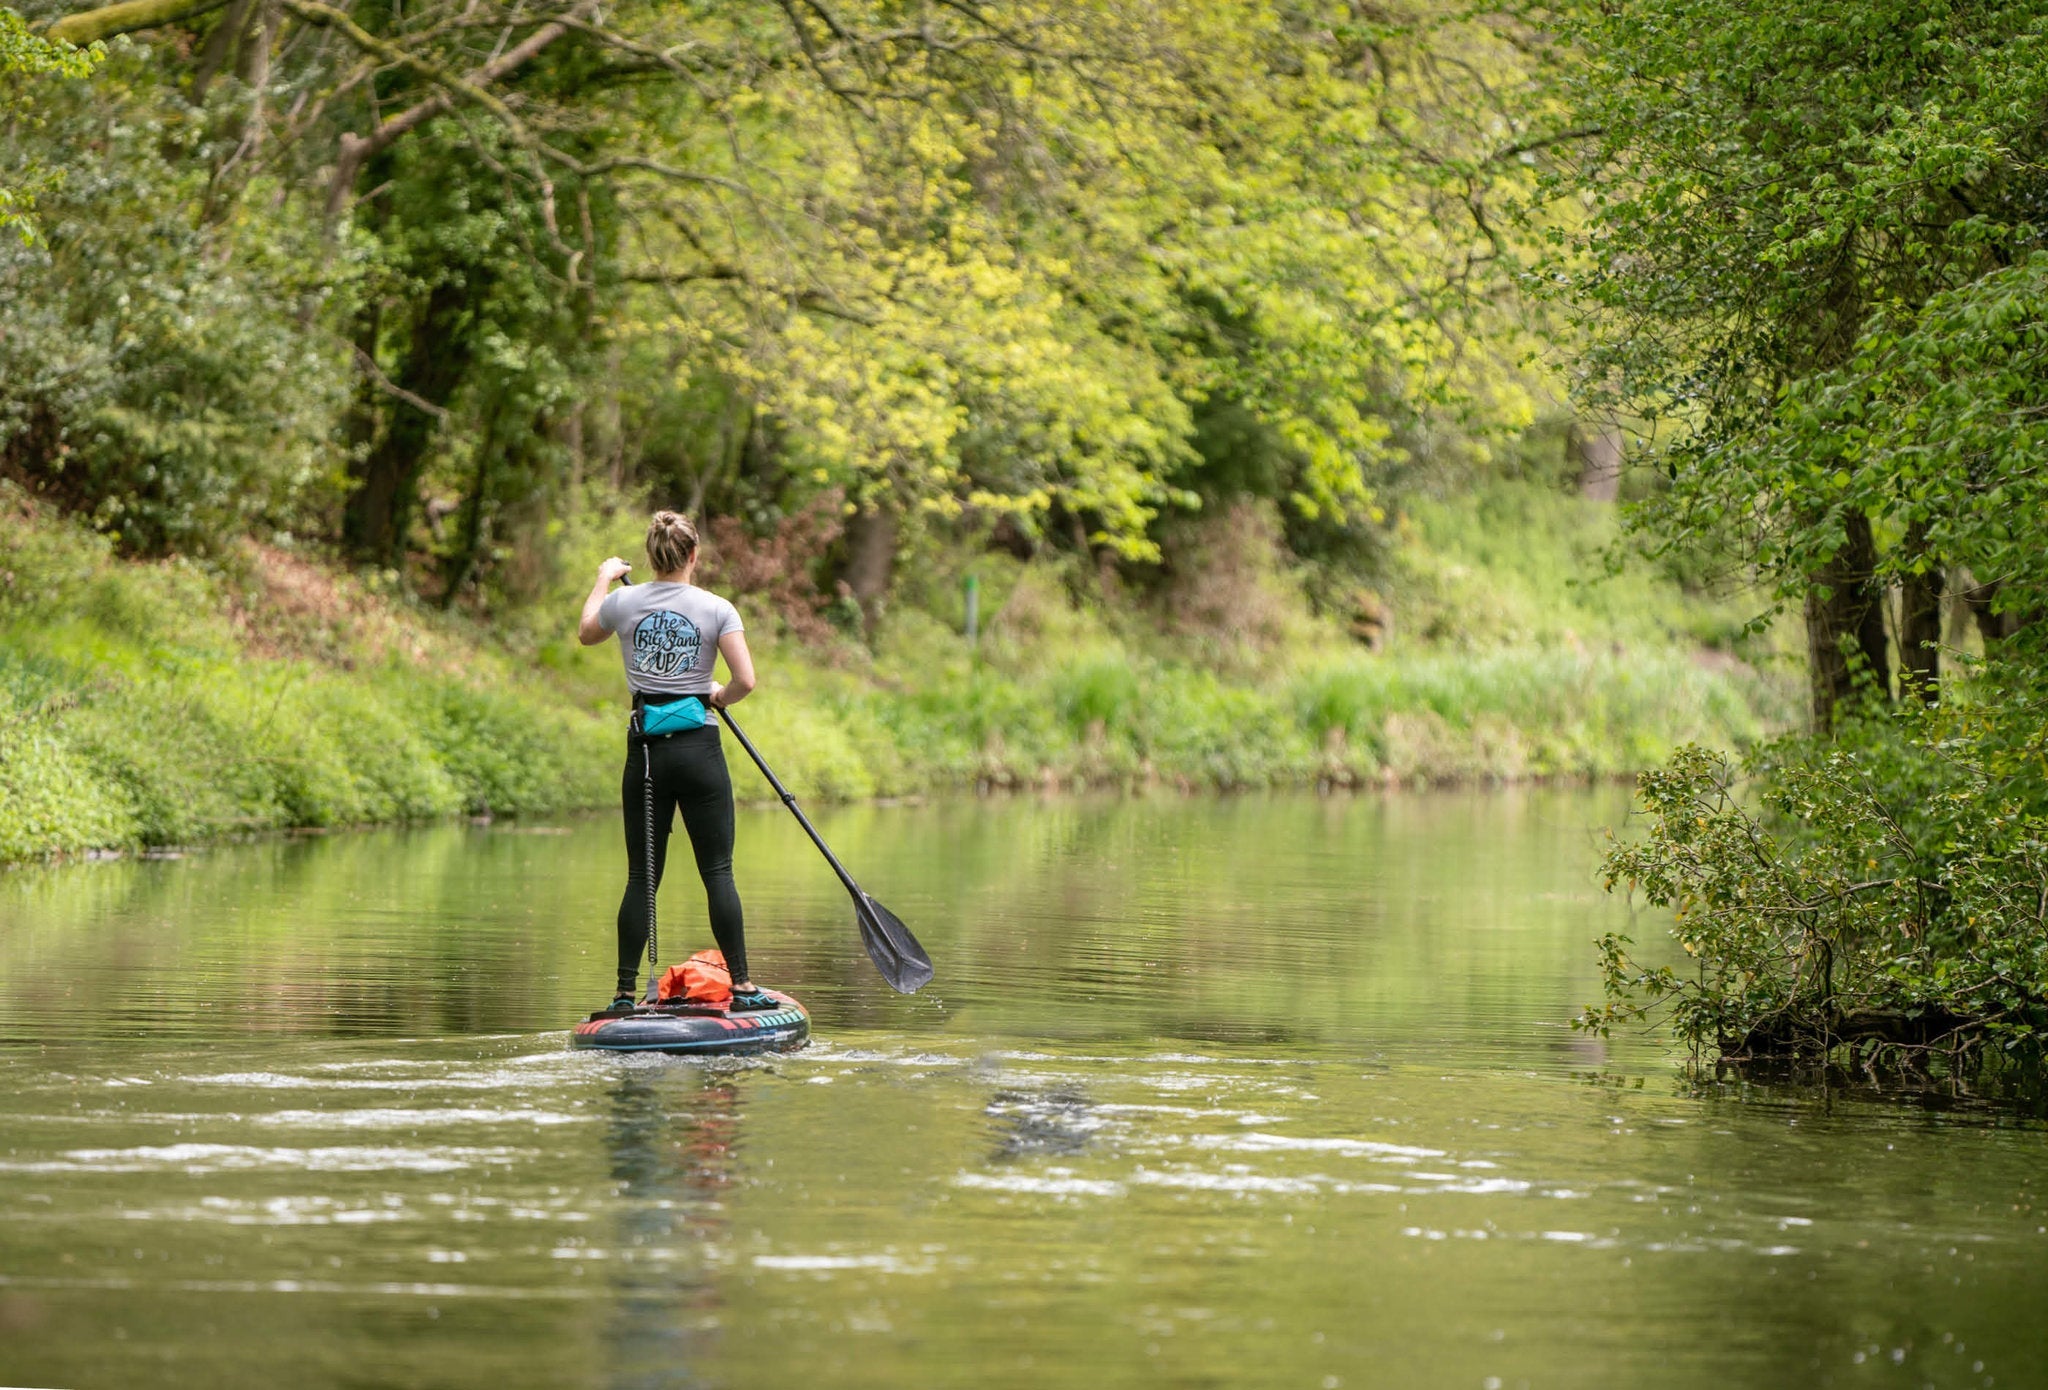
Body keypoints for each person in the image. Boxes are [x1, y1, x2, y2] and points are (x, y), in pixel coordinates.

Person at [578, 511, 774, 1013]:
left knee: (641, 877)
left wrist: (603, 578)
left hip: (645, 755)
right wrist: (717, 695)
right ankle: (745, 987)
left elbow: (586, 632)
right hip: (700, 750)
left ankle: (623, 994)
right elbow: (745, 681)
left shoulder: (623, 602)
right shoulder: (716, 608)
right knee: (718, 871)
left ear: (649, 558)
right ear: (693, 556)